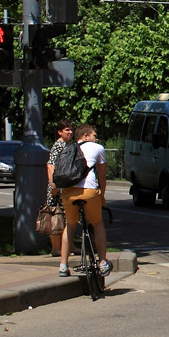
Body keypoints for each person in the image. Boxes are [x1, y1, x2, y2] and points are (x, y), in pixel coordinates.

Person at [58, 123, 111, 279]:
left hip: (68, 193)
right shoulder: (98, 148)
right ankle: (102, 262)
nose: (97, 138)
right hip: (89, 193)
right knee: (97, 223)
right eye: (94, 135)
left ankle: (63, 265)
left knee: (70, 225)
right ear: (86, 136)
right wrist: (102, 196)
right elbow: (102, 176)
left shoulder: (67, 148)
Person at [44, 119, 74, 257]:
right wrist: (53, 186)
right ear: (60, 132)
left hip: (65, 187)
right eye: (67, 130)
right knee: (56, 216)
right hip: (56, 188)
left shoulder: (69, 145)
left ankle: (69, 246)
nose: (70, 132)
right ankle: (56, 248)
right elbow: (50, 165)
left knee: (68, 217)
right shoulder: (58, 145)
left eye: (71, 130)